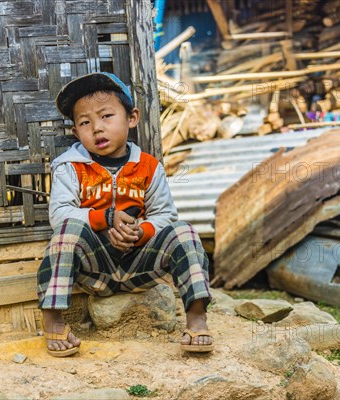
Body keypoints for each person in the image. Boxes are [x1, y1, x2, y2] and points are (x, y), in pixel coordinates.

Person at [37, 72, 213, 357]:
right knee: (68, 230)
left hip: (140, 265)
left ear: (131, 118)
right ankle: (54, 319)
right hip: (94, 269)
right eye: (85, 122)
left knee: (184, 231)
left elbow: (164, 214)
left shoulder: (148, 166)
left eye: (106, 116)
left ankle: (196, 317)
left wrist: (141, 232)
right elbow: (60, 215)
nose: (97, 128)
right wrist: (106, 218)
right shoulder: (69, 166)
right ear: (76, 133)